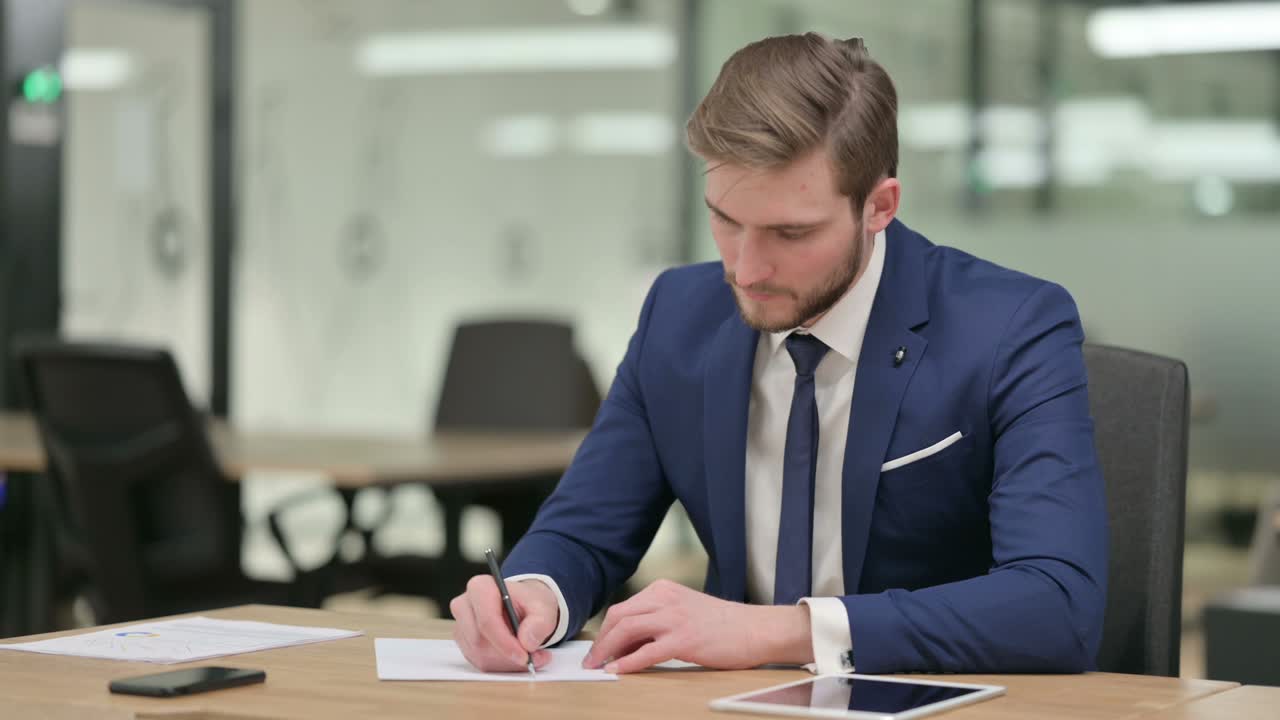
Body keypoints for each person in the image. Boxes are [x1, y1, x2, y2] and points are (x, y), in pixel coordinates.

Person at [449, 33, 1108, 676]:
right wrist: (532, 595)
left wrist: (776, 631)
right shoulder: (678, 316)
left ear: (879, 207)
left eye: (791, 233)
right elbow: (584, 531)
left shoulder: (1011, 328)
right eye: (725, 219)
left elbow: (1057, 605)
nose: (746, 269)